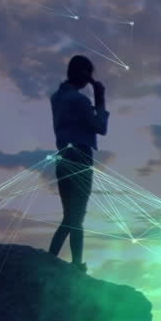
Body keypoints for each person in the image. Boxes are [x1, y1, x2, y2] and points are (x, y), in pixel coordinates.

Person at [48, 55, 109, 272]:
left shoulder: (56, 97)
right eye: (88, 73)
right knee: (77, 215)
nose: (90, 79)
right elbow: (100, 127)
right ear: (82, 73)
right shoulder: (79, 100)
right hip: (81, 156)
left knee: (69, 215)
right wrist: (100, 100)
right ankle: (76, 265)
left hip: (63, 156)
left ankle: (51, 258)